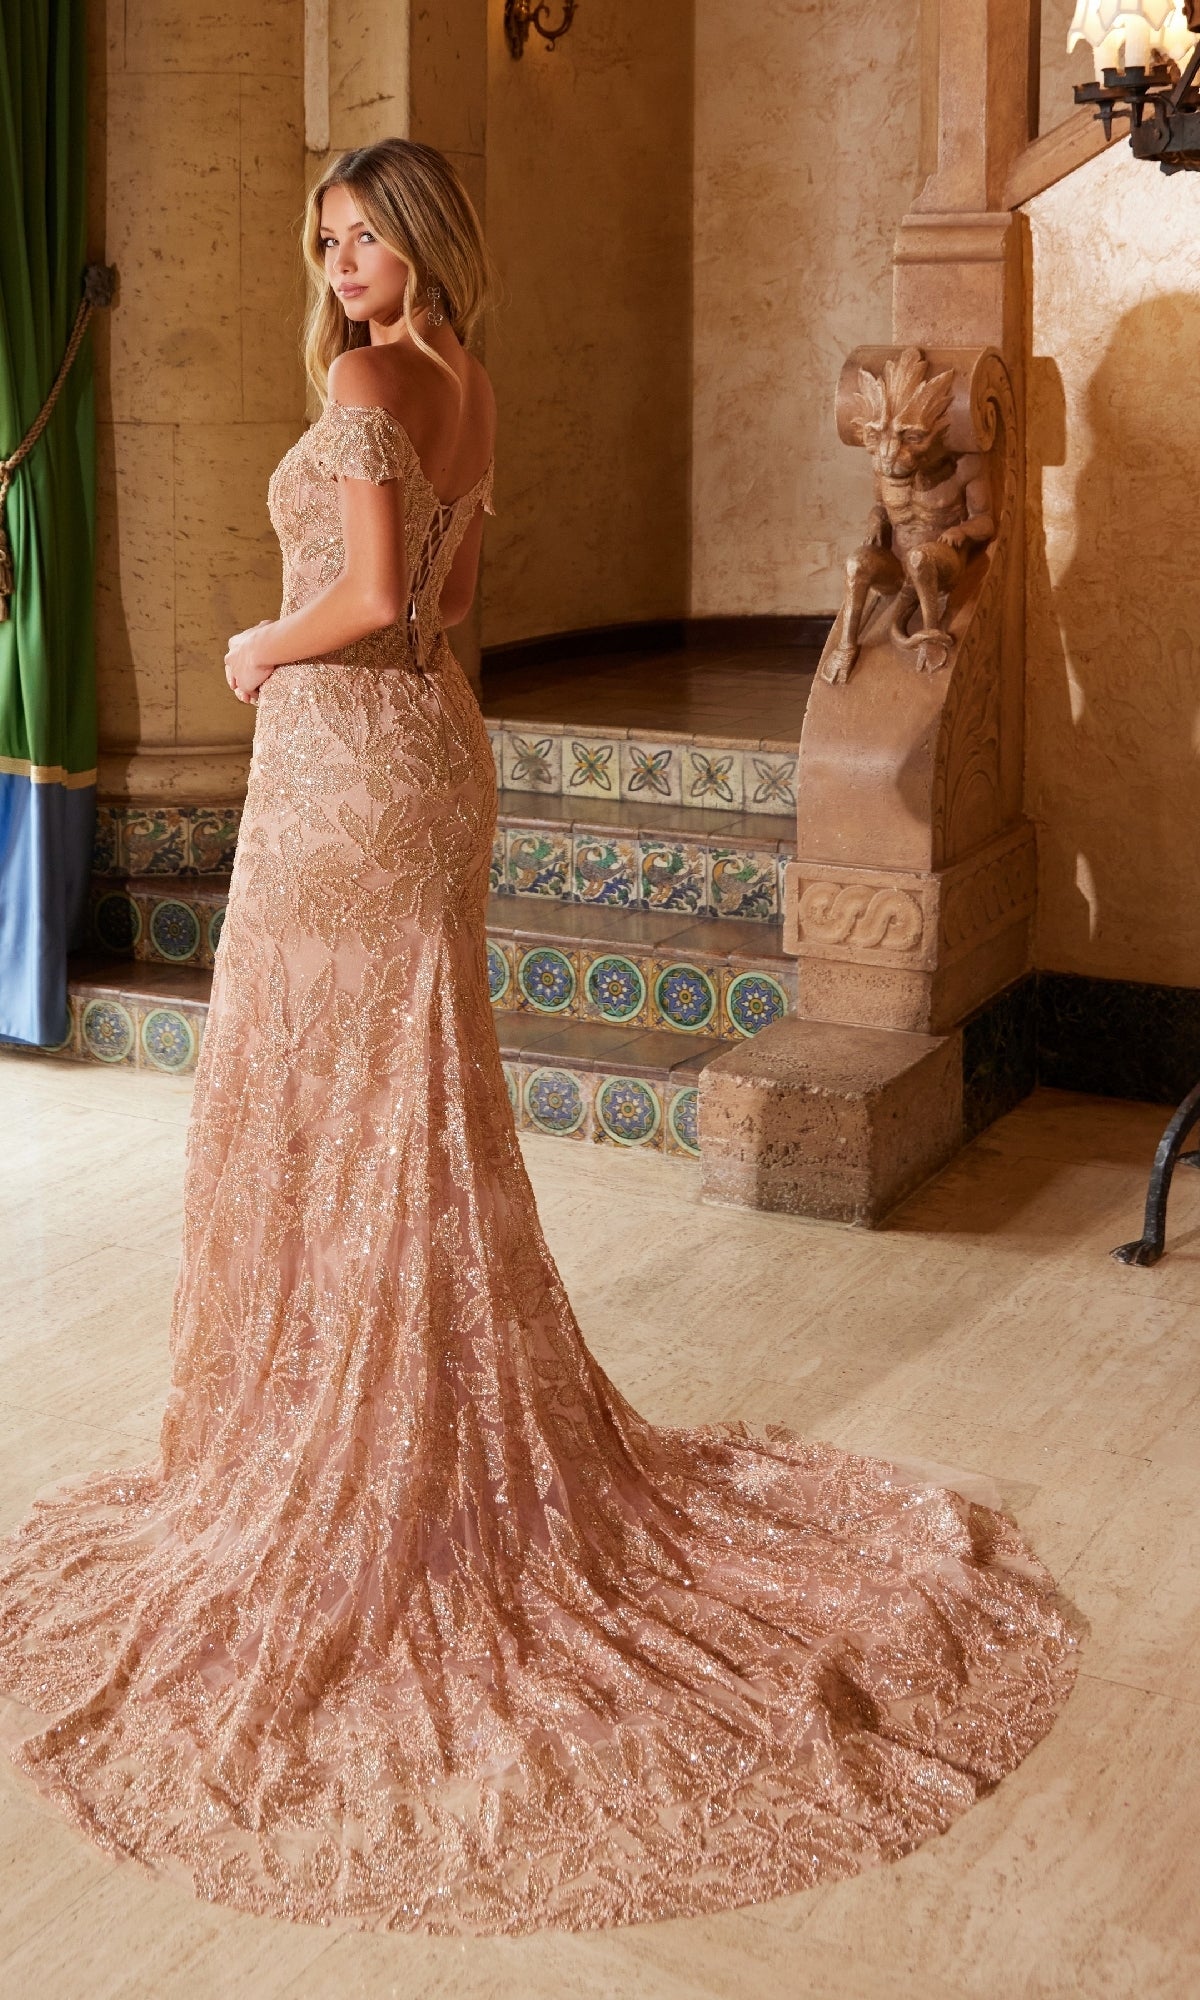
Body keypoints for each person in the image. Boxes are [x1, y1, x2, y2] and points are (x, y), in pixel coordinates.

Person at [0, 139, 1076, 1936]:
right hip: (435, 760)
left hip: (349, 765)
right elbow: (451, 615)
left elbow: (360, 605)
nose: (342, 264)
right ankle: (376, 1405)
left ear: (419, 240)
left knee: (333, 1104)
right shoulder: (467, 388)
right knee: (400, 1111)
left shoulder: (362, 384)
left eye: (365, 234)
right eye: (326, 239)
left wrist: (262, 649)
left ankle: (335, 1438)